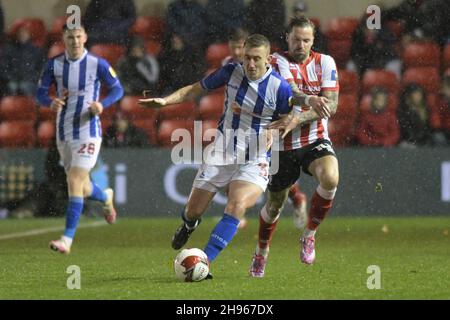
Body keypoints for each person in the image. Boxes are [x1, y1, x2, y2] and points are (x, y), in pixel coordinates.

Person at [140, 34, 294, 277]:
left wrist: (277, 130)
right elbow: (194, 89)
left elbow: (290, 116)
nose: (251, 64)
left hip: (255, 158)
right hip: (222, 151)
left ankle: (205, 260)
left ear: (268, 60)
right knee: (193, 210)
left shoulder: (280, 87)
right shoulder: (231, 72)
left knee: (237, 205)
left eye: (256, 59)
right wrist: (164, 101)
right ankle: (189, 225)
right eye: (247, 58)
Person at [248, 17, 339, 277]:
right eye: (296, 39)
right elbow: (293, 94)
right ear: (287, 37)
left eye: (306, 40)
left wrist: (299, 118)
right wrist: (309, 103)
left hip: (314, 139)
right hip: (282, 145)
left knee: (330, 178)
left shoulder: (326, 63)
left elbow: (331, 106)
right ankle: (261, 252)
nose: (301, 44)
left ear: (313, 41)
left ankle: (309, 234)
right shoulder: (276, 61)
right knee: (275, 205)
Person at [36, 23, 124, 254]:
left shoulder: (97, 64)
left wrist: (101, 105)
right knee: (82, 188)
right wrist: (50, 102)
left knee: (74, 180)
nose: (74, 41)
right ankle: (105, 196)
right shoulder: (54, 65)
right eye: (70, 37)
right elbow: (39, 93)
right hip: (63, 133)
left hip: (88, 131)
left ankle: (67, 239)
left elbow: (118, 89)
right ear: (63, 39)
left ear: (85, 36)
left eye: (78, 36)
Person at [0, 25, 45, 96]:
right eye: (20, 33)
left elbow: (41, 69)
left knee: (25, 87)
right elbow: (3, 68)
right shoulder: (9, 50)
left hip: (30, 82)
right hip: (12, 82)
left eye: (24, 32)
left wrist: (30, 78)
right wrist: (12, 78)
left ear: (29, 34)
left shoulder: (37, 51)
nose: (22, 35)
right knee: (12, 87)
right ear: (16, 34)